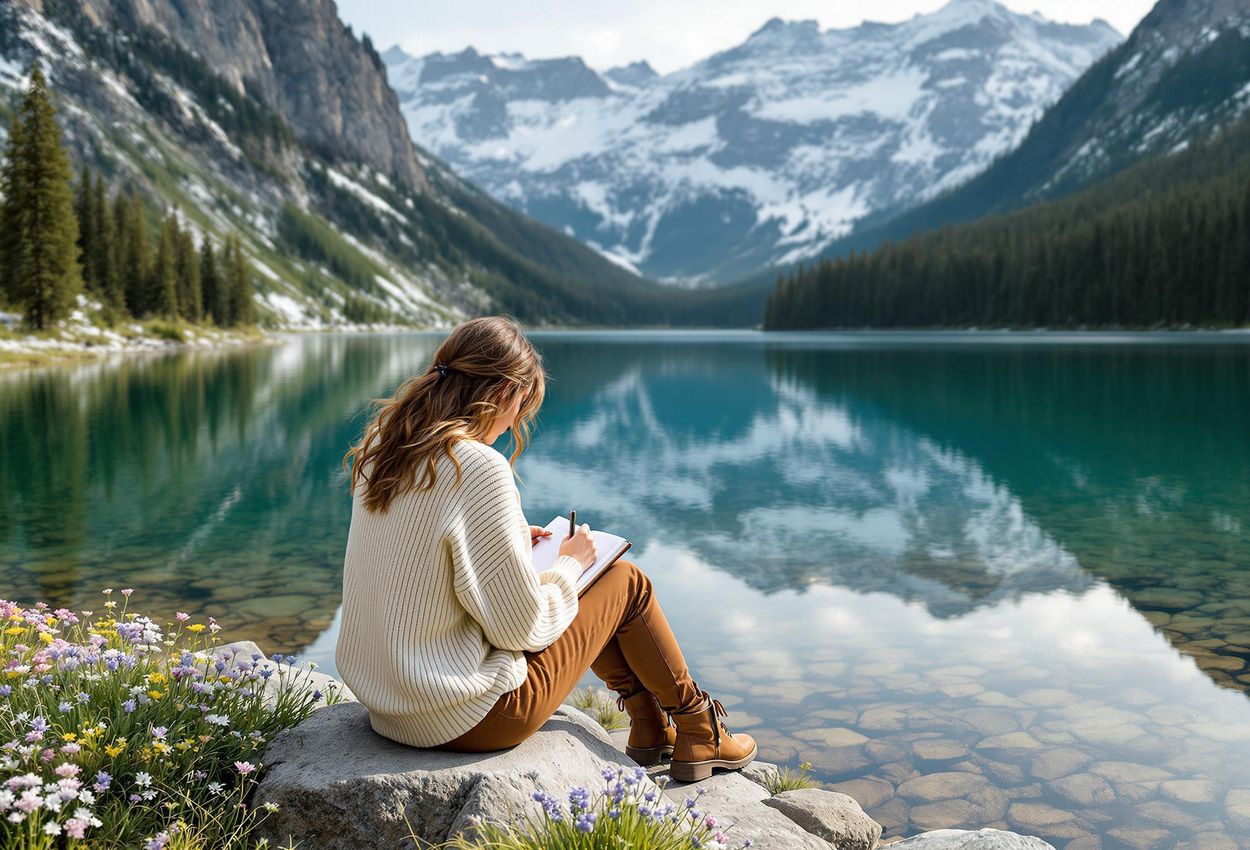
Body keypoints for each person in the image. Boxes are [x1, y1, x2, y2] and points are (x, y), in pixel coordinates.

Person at [334, 315, 755, 781]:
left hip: (389, 707)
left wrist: (508, 538)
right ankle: (700, 729)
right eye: (520, 405)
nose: (516, 420)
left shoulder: (383, 446)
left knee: (593, 582)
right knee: (625, 582)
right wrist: (570, 567)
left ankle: (652, 727)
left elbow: (420, 552)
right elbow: (524, 629)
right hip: (467, 718)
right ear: (501, 394)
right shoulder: (476, 467)